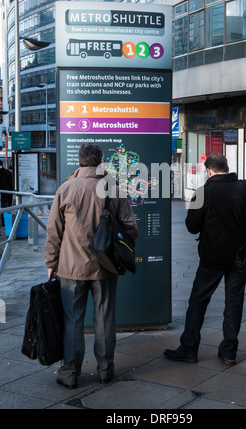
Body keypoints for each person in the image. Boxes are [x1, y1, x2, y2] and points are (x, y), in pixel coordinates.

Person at [44, 143, 139, 389]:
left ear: (79, 160)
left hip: (70, 268)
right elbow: (131, 229)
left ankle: (69, 374)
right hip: (105, 268)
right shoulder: (113, 189)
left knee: (72, 321)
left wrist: (51, 262)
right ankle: (105, 371)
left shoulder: (65, 189)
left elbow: (54, 231)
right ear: (101, 161)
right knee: (104, 319)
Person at [164, 153, 246, 366]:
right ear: (227, 167)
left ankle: (189, 348)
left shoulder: (204, 192)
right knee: (234, 303)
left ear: (209, 171)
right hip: (240, 257)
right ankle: (229, 351)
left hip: (212, 258)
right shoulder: (245, 188)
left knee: (198, 302)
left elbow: (192, 226)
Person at [0, 160, 13, 227]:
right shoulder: (7, 172)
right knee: (5, 208)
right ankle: (3, 222)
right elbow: (11, 184)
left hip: (3, 194)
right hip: (6, 193)